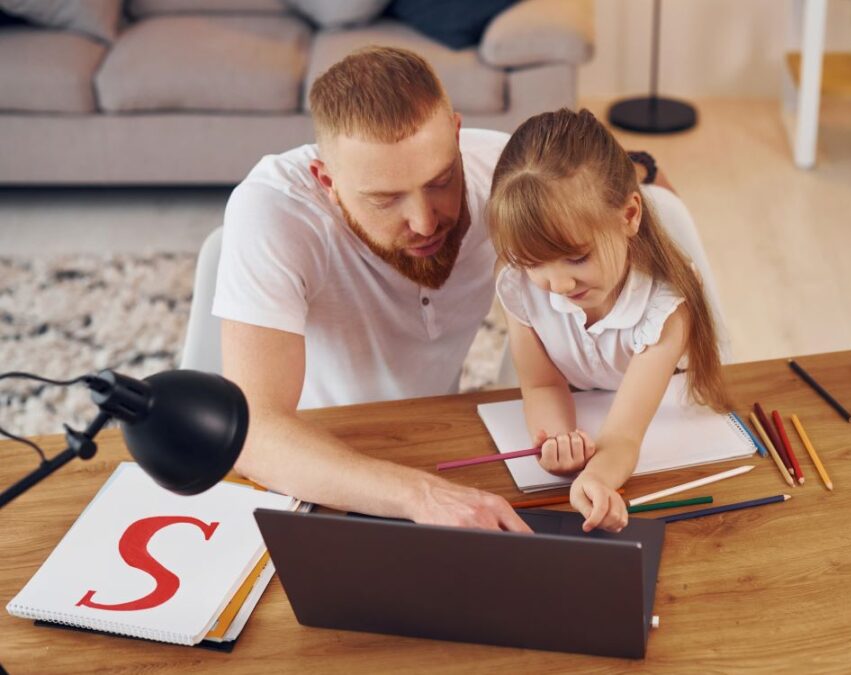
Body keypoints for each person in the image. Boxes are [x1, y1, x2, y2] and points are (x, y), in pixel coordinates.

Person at [212, 46, 531, 532]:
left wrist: (650, 174)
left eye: (442, 180)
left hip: (435, 437)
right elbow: (253, 432)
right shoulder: (273, 209)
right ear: (327, 181)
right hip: (312, 465)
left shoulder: (505, 173)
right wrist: (420, 496)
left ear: (458, 135)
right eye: (385, 199)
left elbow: (613, 182)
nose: (425, 222)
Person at [488, 108, 730, 534]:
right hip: (574, 389)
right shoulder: (519, 285)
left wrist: (597, 478)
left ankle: (649, 170)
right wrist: (557, 439)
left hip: (655, 410)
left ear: (630, 216)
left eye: (577, 257)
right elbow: (542, 384)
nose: (558, 284)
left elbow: (623, 437)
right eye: (534, 263)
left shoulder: (667, 305)